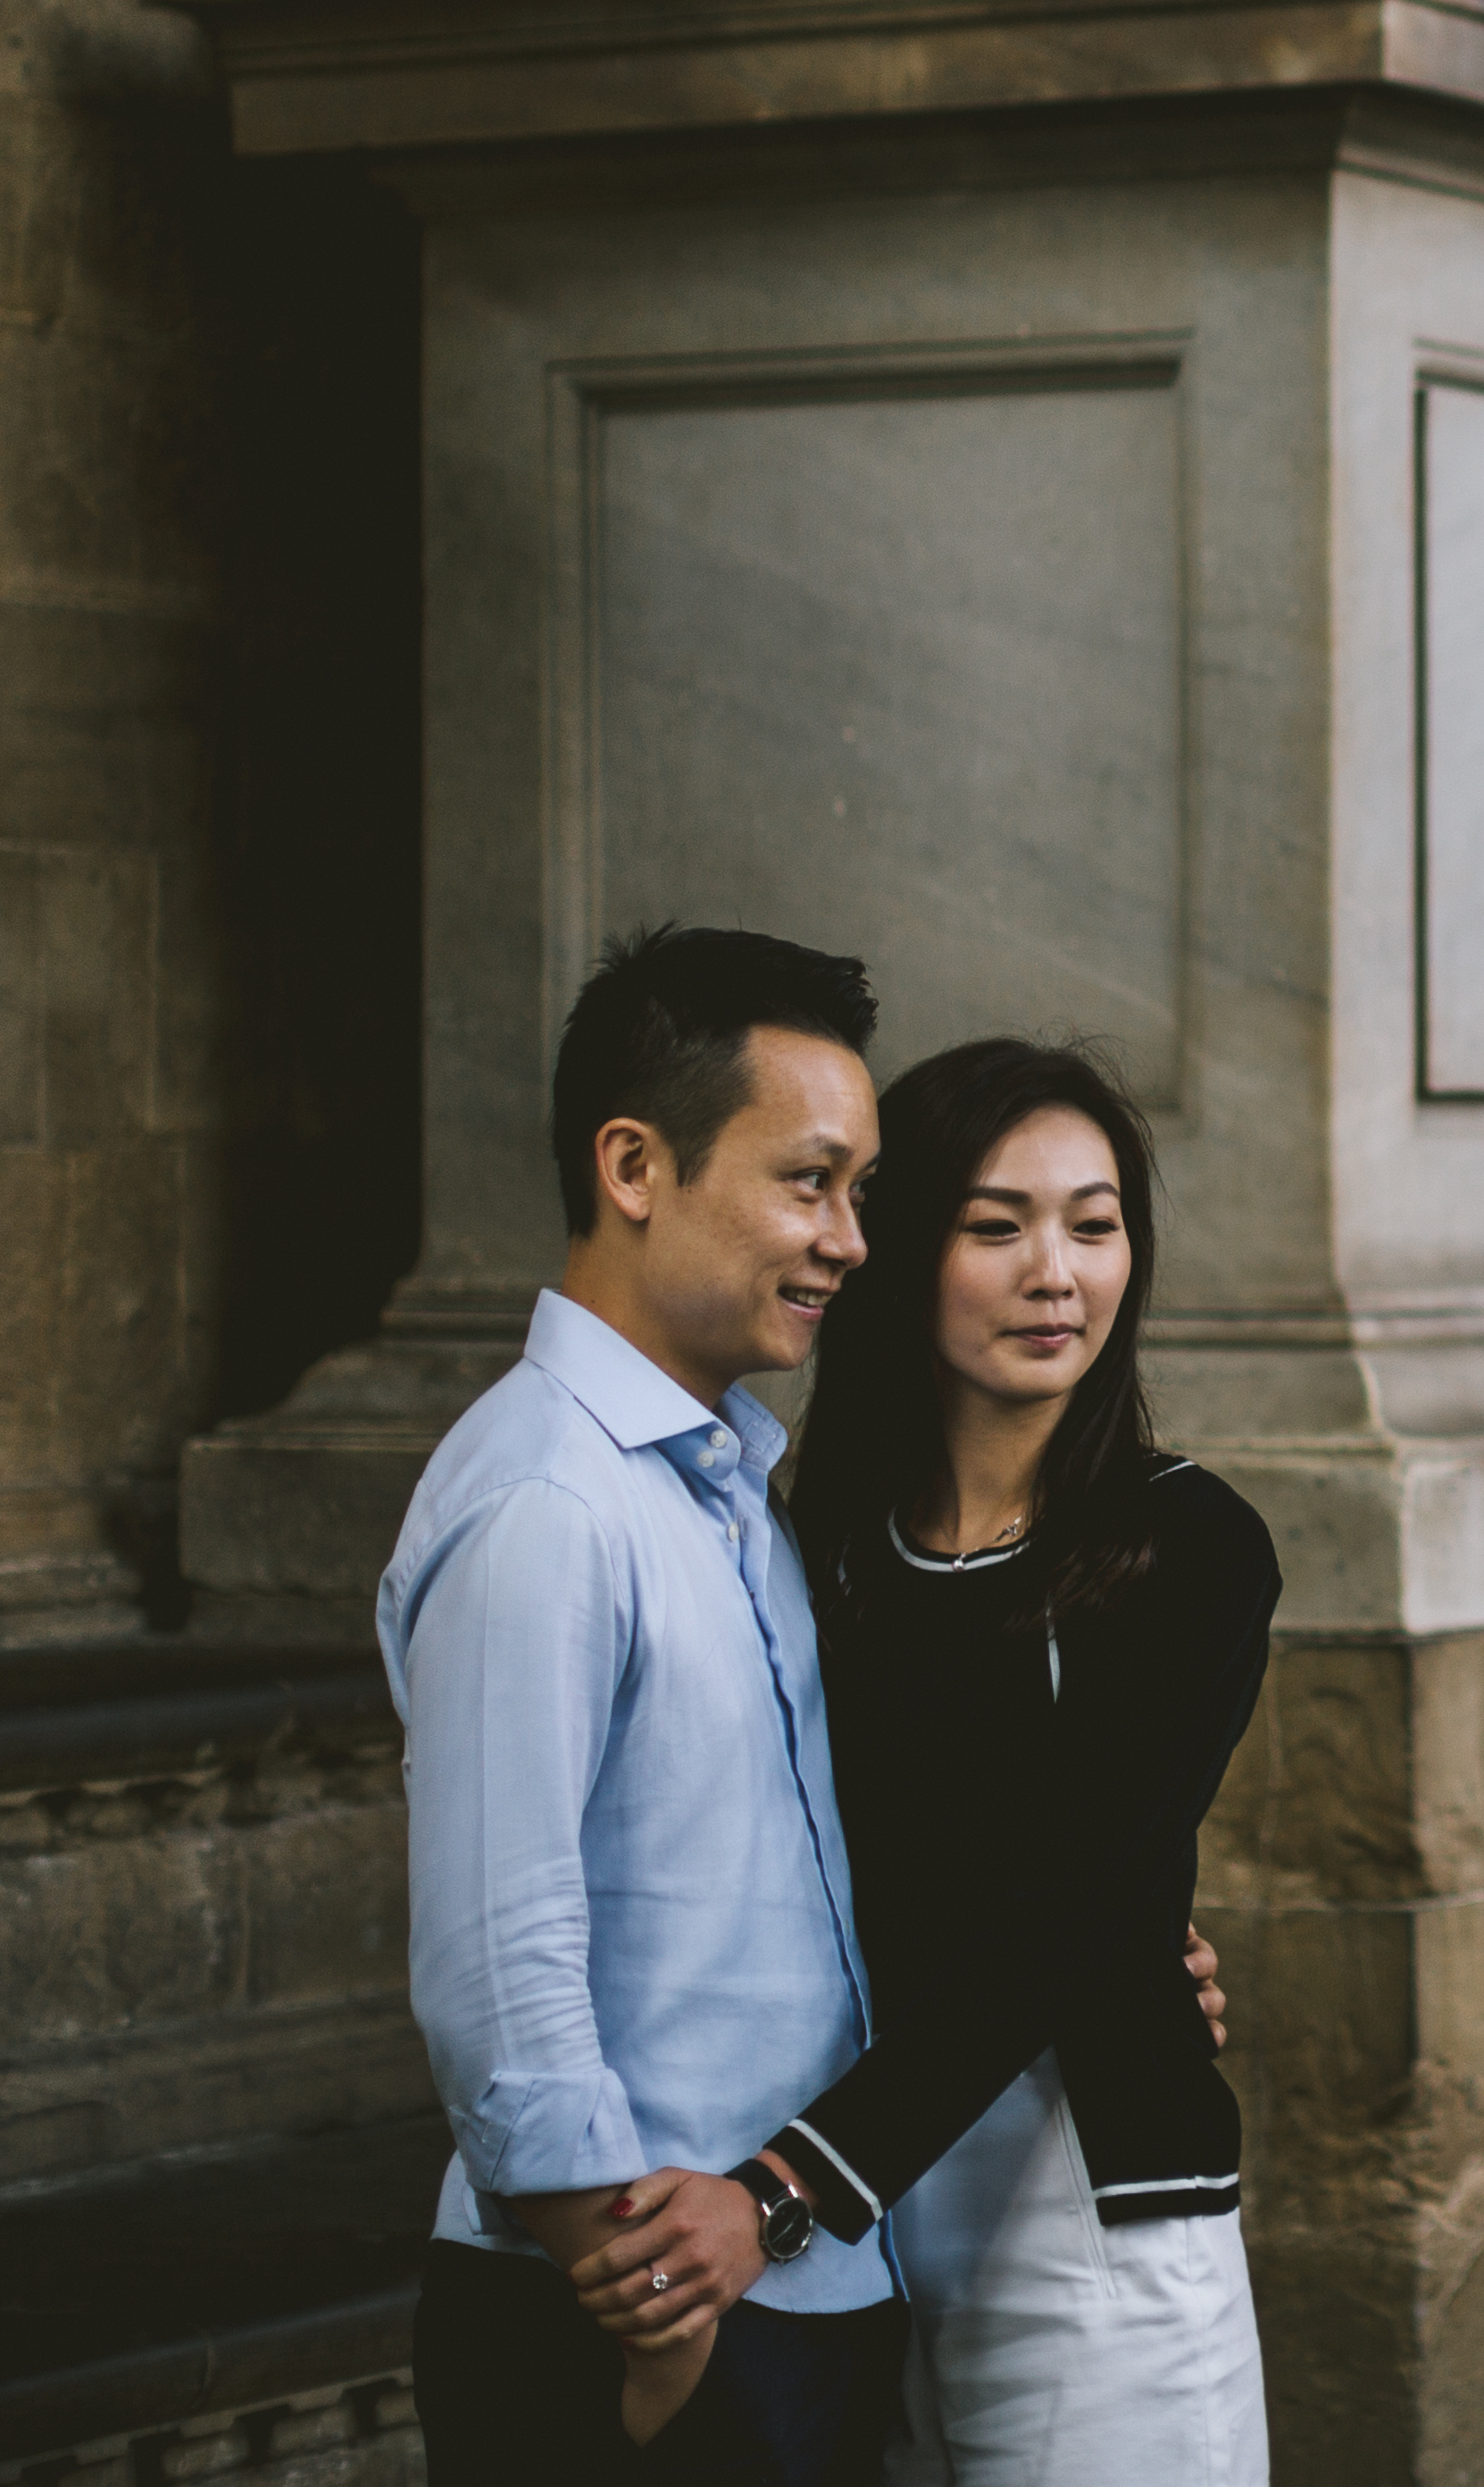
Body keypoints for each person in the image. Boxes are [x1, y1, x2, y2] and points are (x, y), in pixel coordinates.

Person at [598, 1037, 1286, 2481]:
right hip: (868, 2233)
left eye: (1095, 1226)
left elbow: (1072, 1913)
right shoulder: (830, 1545)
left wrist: (783, 2192)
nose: (1057, 1272)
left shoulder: (1185, 1546)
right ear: (903, 1251)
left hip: (1089, 2225)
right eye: (998, 1226)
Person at [380, 925, 908, 2481]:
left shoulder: (728, 1483)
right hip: (641, 2327)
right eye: (809, 1183)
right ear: (634, 1167)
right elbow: (497, 1962)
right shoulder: (547, 1502)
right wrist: (660, 2345)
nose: (851, 1240)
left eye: (858, 1192)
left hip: (787, 2286)